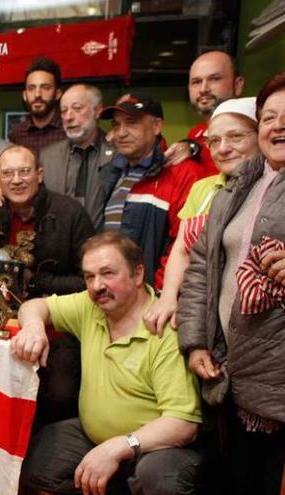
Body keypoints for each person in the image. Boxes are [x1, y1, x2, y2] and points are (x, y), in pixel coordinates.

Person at [13, 232, 203, 495]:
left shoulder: (164, 329)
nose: (96, 285)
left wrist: (118, 447)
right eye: (89, 276)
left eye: (107, 273)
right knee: (36, 461)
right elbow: (34, 306)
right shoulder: (92, 306)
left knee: (159, 479)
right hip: (93, 436)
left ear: (138, 275)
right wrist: (34, 326)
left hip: (155, 448)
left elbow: (183, 424)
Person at [177, 73, 285, 495]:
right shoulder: (237, 187)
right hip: (229, 371)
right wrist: (195, 341)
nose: (279, 126)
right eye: (270, 117)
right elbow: (202, 267)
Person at [143, 97, 259, 333]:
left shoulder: (272, 189)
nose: (223, 148)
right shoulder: (202, 188)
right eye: (214, 141)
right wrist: (168, 296)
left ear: (260, 135)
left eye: (236, 137)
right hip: (200, 308)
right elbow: (181, 249)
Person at [99, 95, 203, 287]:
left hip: (152, 301)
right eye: (116, 125)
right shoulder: (111, 173)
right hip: (115, 295)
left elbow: (186, 246)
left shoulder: (181, 172)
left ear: (156, 126)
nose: (121, 133)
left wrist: (157, 294)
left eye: (131, 123)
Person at [0, 145, 94, 297]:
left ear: (39, 175)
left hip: (55, 311)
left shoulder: (70, 213)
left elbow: (90, 279)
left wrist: (37, 280)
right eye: (7, 173)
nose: (16, 180)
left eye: (25, 172)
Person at [39, 84, 115, 230]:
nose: (68, 117)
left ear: (97, 111)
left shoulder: (117, 153)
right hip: (58, 246)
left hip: (102, 247)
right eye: (63, 111)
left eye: (77, 108)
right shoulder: (48, 156)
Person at [166, 51, 245, 175]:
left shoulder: (257, 130)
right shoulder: (195, 135)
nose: (203, 89)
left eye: (214, 79)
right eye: (196, 82)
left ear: (238, 84)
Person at [8, 57, 67, 159]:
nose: (37, 95)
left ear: (57, 94)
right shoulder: (16, 134)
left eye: (45, 88)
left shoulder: (69, 131)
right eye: (31, 88)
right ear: (25, 95)